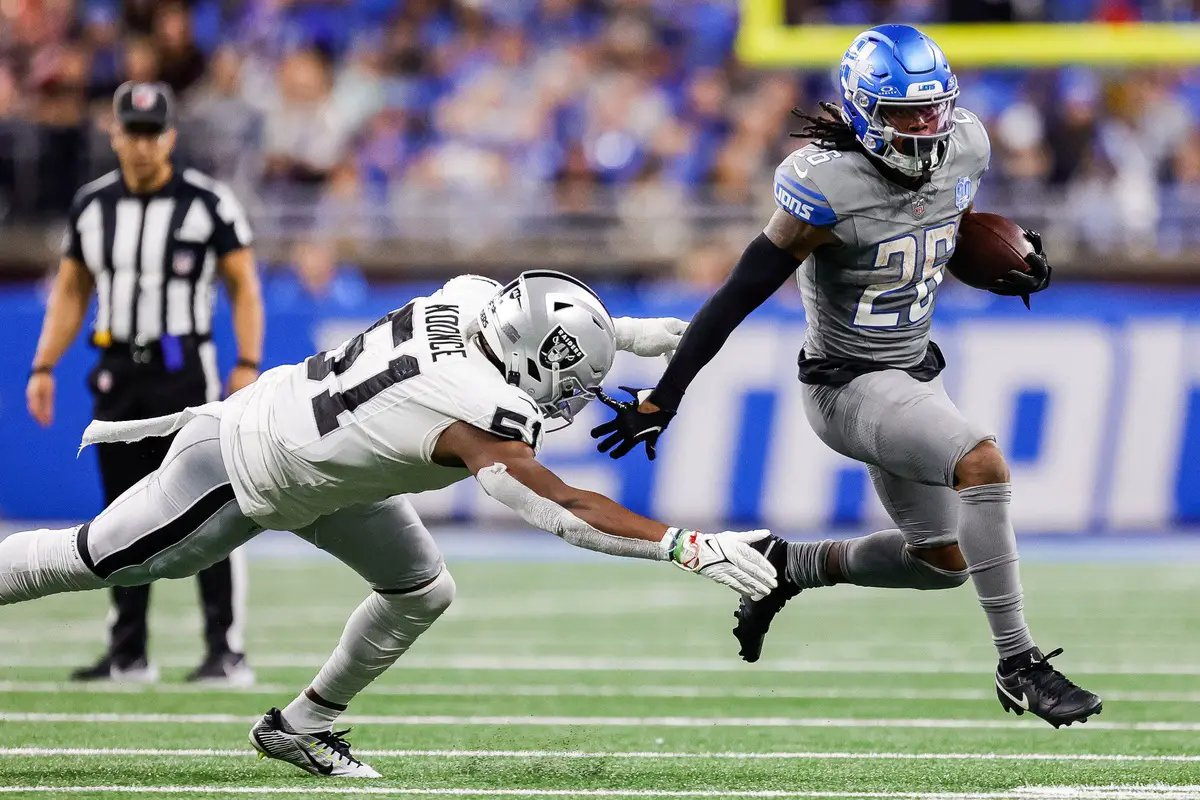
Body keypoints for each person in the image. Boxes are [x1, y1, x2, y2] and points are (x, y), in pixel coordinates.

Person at [0, 271, 777, 777]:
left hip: (329, 469)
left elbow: (532, 301)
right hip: (245, 464)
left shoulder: (474, 300)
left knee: (420, 589)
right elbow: (566, 510)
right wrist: (685, 546)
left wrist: (634, 335)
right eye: (572, 380)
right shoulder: (478, 414)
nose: (574, 397)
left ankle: (299, 727)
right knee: (97, 558)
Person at [590, 25, 1101, 729]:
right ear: (863, 110)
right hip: (846, 385)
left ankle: (784, 565)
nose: (924, 126)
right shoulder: (824, 185)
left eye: (933, 108)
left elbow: (940, 224)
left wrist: (1012, 259)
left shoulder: (968, 147)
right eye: (904, 113)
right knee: (980, 460)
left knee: (944, 560)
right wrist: (664, 395)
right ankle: (1021, 664)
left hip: (914, 378)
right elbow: (738, 292)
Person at [25, 81, 265, 685]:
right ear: (113, 134)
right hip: (118, 372)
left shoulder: (208, 203)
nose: (141, 145)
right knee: (118, 516)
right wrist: (43, 364)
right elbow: (72, 291)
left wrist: (248, 362)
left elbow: (244, 284)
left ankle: (225, 649)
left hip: (186, 370)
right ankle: (128, 652)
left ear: (171, 137)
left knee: (213, 506)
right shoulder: (93, 205)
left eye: (151, 132)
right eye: (131, 132)